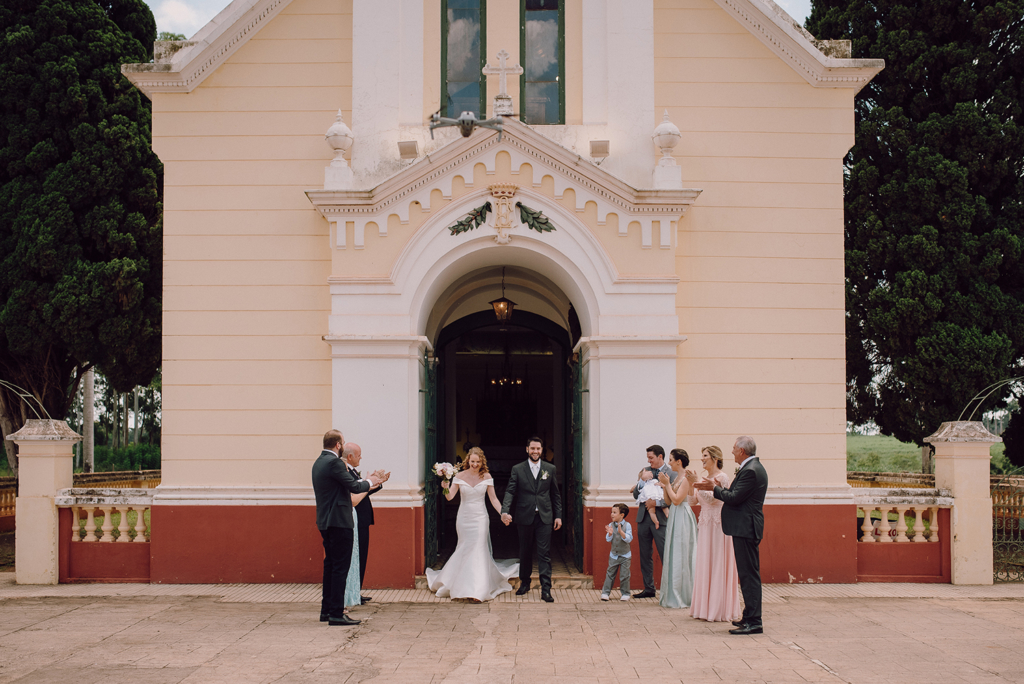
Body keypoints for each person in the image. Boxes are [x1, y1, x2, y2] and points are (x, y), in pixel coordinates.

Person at [693, 436, 768, 635]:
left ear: (742, 451)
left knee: (749, 575)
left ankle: (755, 622)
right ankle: (749, 617)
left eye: (734, 448)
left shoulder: (751, 471)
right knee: (746, 574)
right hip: (743, 527)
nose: (732, 451)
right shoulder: (750, 468)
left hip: (746, 527)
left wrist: (714, 489)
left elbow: (734, 498)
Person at [426, 447, 519, 601]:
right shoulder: (459, 476)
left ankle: (478, 590)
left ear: (482, 462)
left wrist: (503, 513)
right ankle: (460, 584)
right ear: (467, 460)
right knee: (464, 548)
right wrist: (445, 487)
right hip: (464, 518)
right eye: (472, 461)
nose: (475, 464)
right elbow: (450, 497)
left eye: (478, 462)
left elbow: (494, 499)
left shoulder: (487, 476)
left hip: (481, 518)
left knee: (478, 549)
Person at [312, 429, 381, 626]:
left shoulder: (319, 461)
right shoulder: (334, 462)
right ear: (338, 445)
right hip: (339, 522)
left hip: (325, 521)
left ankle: (326, 610)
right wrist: (371, 481)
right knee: (340, 568)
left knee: (331, 567)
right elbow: (355, 487)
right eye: (342, 442)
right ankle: (336, 613)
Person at [501, 436, 563, 602]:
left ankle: (546, 589)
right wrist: (505, 510)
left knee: (544, 553)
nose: (535, 451)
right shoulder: (518, 469)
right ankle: (525, 583)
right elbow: (510, 491)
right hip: (524, 516)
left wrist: (558, 515)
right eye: (533, 448)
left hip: (545, 517)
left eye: (538, 449)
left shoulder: (549, 468)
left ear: (542, 450)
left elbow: (555, 494)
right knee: (525, 551)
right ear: (527, 449)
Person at [686, 446, 741, 622]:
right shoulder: (703, 478)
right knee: (705, 562)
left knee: (717, 562)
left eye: (705, 456)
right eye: (702, 456)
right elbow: (693, 501)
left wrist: (697, 483)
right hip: (705, 524)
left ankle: (718, 609)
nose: (702, 459)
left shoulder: (722, 477)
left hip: (718, 525)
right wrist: (690, 484)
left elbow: (714, 498)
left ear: (715, 458)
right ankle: (704, 608)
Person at [341, 442, 390, 604]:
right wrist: (369, 482)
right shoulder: (346, 471)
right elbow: (358, 492)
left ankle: (357, 591)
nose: (361, 457)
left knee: (361, 557)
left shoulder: (352, 471)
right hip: (357, 520)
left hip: (362, 519)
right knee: (357, 557)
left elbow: (362, 489)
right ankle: (354, 592)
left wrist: (377, 482)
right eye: (359, 454)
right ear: (350, 456)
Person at [630, 445, 675, 599]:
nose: (649, 461)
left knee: (665, 553)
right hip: (643, 518)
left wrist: (656, 504)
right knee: (645, 555)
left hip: (661, 520)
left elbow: (674, 498)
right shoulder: (645, 471)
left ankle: (669, 589)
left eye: (651, 458)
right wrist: (641, 482)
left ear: (660, 456)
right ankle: (648, 588)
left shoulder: (672, 473)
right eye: (648, 458)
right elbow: (636, 495)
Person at [657, 448, 698, 609]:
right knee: (673, 552)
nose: (669, 463)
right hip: (675, 515)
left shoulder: (686, 477)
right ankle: (673, 592)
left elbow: (677, 500)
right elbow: (667, 500)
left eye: (671, 460)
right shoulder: (676, 478)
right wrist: (664, 486)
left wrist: (667, 485)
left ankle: (684, 595)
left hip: (682, 516)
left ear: (679, 461)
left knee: (682, 553)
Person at [601, 503, 633, 601]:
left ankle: (626, 593)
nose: (612, 514)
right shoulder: (611, 525)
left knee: (624, 575)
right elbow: (608, 539)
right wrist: (610, 533)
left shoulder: (628, 525)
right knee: (610, 574)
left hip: (625, 555)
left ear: (622, 515)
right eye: (612, 512)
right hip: (614, 555)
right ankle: (605, 593)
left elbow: (629, 539)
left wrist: (621, 532)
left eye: (614, 512)